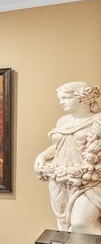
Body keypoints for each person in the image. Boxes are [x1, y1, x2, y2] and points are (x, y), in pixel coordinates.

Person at [34, 81, 101, 234]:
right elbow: (60, 147)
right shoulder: (63, 121)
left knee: (81, 224)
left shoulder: (99, 120)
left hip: (90, 180)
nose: (61, 102)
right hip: (60, 178)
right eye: (60, 99)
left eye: (65, 98)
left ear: (81, 98)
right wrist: (43, 156)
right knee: (66, 226)